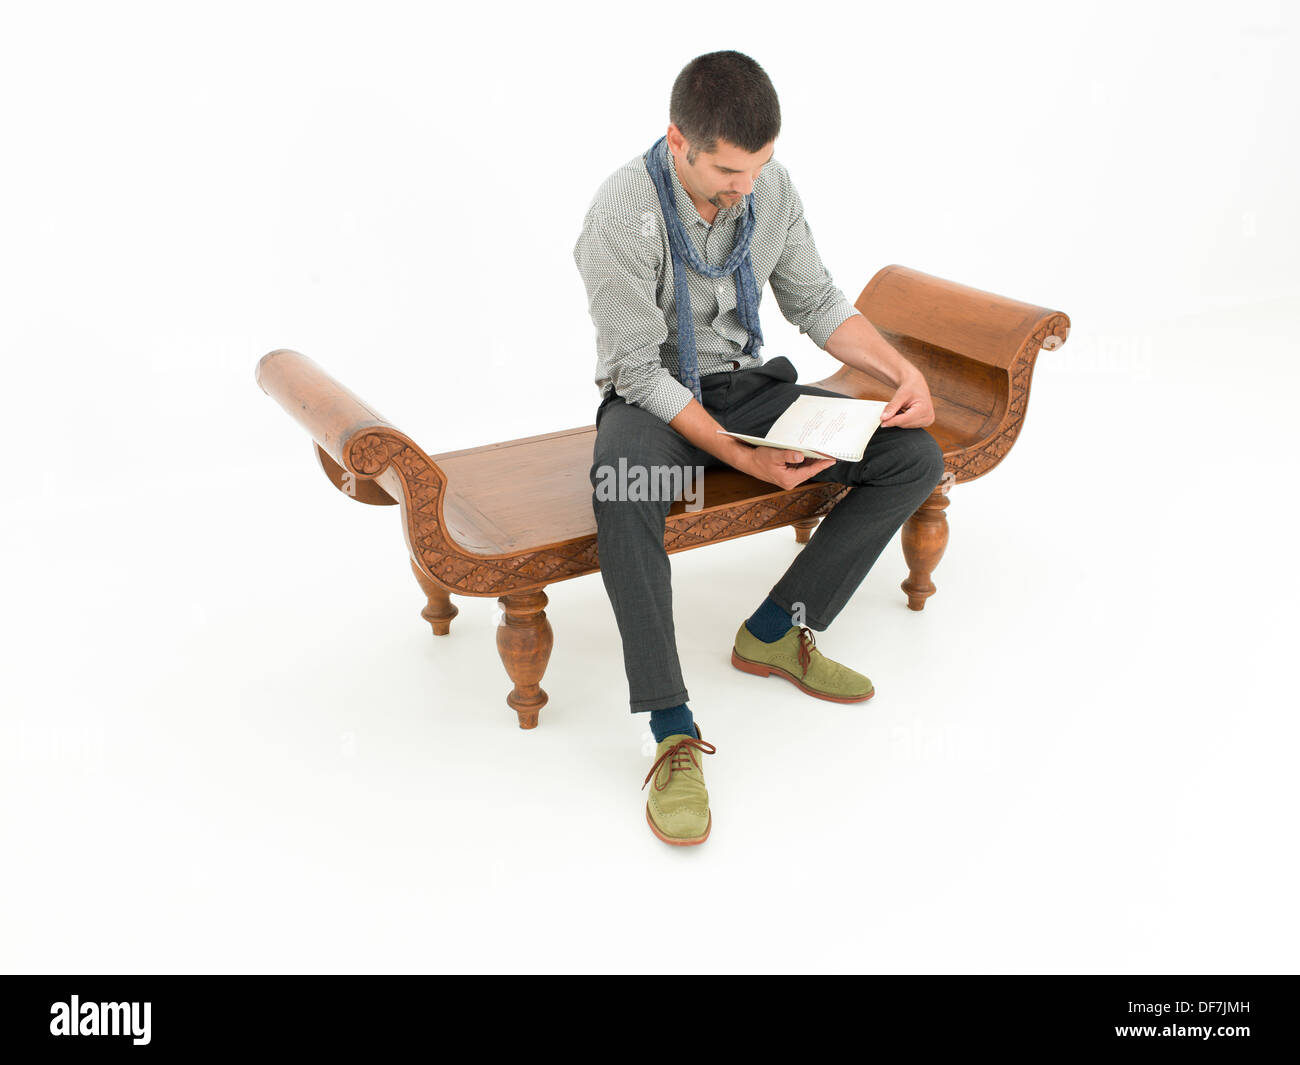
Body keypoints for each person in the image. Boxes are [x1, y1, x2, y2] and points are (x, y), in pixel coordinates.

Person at [573, 50, 945, 847]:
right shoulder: (619, 213)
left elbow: (813, 296)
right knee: (621, 481)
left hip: (748, 387)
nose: (748, 186)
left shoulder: (766, 185)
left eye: (760, 166)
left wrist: (898, 369)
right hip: (657, 399)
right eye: (730, 171)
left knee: (913, 455)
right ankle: (671, 725)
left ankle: (779, 626)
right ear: (678, 141)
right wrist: (740, 459)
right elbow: (637, 369)